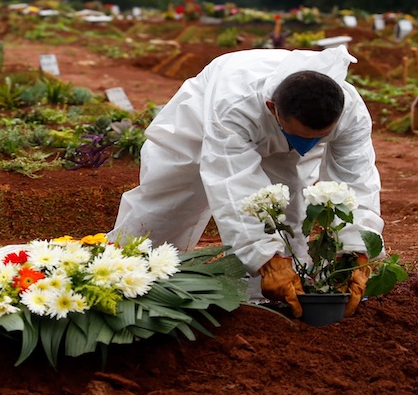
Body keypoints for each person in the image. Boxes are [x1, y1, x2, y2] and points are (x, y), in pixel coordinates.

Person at [109, 47, 383, 317]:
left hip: (278, 123)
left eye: (318, 138)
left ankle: (270, 299)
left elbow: (357, 182)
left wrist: (356, 253)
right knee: (171, 198)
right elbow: (233, 186)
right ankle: (120, 273)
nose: (306, 146)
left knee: (289, 204)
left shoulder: (351, 112)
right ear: (272, 108)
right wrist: (266, 259)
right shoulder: (234, 106)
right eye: (300, 137)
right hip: (205, 119)